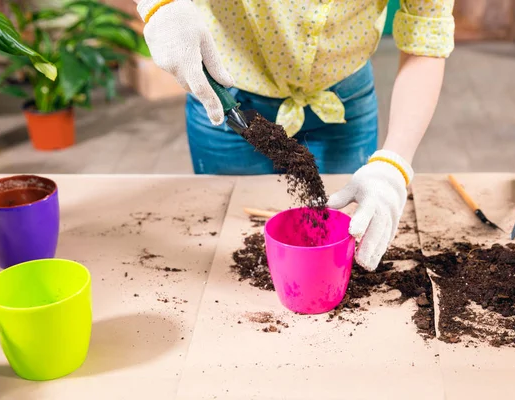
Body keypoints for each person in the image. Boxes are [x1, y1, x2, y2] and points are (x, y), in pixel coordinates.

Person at [133, 0, 454, 271]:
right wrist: (161, 5)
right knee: (229, 244)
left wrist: (393, 163)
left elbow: (426, 34)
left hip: (343, 101)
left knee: (343, 236)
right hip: (226, 94)